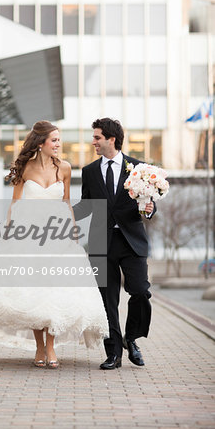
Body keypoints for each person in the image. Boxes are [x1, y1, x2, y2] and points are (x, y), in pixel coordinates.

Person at [0, 120, 108, 369]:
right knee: (33, 291)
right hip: (29, 236)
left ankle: (51, 346)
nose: (58, 144)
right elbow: (15, 203)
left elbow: (66, 203)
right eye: (54, 140)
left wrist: (73, 232)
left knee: (54, 290)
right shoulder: (25, 169)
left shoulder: (64, 168)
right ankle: (40, 347)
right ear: (41, 143)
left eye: (58, 140)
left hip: (58, 237)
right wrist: (11, 232)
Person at [74, 118, 156, 370]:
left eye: (97, 137)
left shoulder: (138, 167)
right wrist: (59, 212)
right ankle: (113, 354)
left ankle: (131, 339)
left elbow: (148, 202)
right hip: (101, 243)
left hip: (132, 242)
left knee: (140, 291)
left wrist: (150, 209)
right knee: (107, 299)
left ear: (111, 139)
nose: (93, 142)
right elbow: (86, 205)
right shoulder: (88, 171)